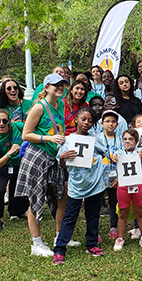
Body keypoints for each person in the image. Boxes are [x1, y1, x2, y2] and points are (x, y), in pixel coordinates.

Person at [15, 73, 69, 257]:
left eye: (62, 85)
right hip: (37, 156)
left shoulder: (61, 104)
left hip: (53, 157)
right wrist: (48, 138)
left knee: (61, 195)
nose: (60, 88)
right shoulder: (39, 107)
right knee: (36, 199)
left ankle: (59, 236)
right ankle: (36, 243)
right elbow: (25, 135)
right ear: (46, 87)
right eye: (56, 85)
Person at [53, 107, 106, 264]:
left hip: (95, 183)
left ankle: (92, 244)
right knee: (70, 216)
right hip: (77, 184)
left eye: (90, 120)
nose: (86, 123)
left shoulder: (95, 139)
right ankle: (60, 249)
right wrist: (62, 157)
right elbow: (63, 166)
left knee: (93, 215)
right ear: (76, 119)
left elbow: (104, 154)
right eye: (83, 119)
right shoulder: (67, 140)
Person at [111, 129, 142, 250]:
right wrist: (114, 159)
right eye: (125, 139)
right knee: (122, 212)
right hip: (123, 185)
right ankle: (120, 238)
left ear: (136, 141)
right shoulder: (118, 152)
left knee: (139, 211)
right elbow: (114, 161)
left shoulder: (140, 152)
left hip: (137, 185)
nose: (127, 142)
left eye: (131, 139)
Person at [0, 109, 26, 232]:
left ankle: (17, 212)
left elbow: (31, 129)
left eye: (5, 120)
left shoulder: (17, 126)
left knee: (17, 188)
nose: (1, 124)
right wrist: (10, 152)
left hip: (20, 164)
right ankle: (0, 218)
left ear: (9, 121)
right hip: (4, 165)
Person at [95, 110, 124, 240]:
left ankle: (113, 227)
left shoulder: (121, 139)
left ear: (117, 124)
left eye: (113, 122)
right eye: (107, 121)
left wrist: (119, 177)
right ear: (102, 123)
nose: (110, 124)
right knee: (96, 203)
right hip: (100, 177)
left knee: (114, 202)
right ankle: (95, 229)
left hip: (115, 177)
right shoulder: (97, 139)